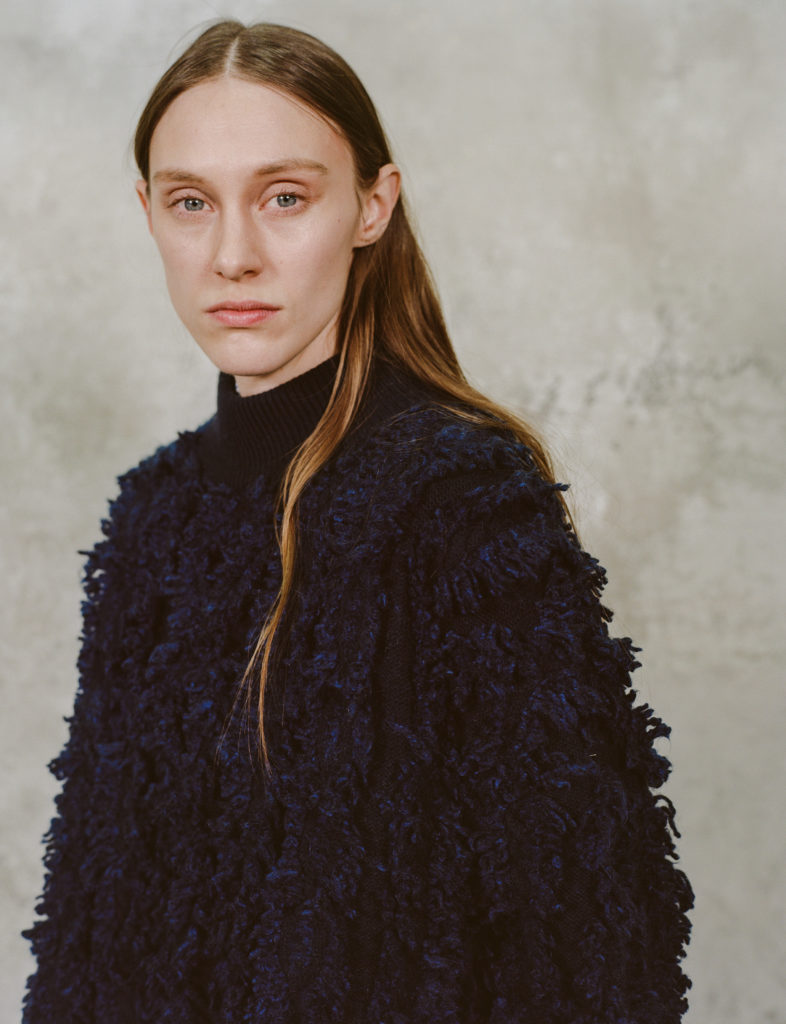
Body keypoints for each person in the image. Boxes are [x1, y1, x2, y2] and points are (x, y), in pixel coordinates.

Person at [22, 19, 693, 1024]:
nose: (234, 255)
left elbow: (591, 941)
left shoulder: (463, 502)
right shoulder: (152, 516)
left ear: (372, 206)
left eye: (284, 197)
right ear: (147, 211)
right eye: (192, 202)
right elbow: (93, 925)